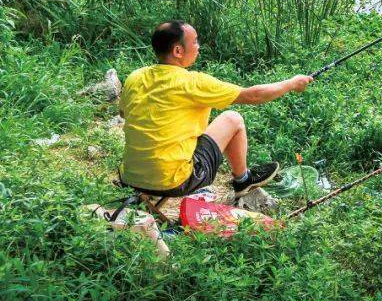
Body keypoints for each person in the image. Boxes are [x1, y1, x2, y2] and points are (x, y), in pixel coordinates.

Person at [118, 19, 313, 198]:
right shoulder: (193, 82)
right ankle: (243, 180)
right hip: (173, 182)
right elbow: (253, 95)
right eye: (194, 42)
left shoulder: (135, 77)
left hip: (129, 178)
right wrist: (292, 83)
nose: (198, 47)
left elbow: (124, 113)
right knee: (232, 119)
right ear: (178, 51)